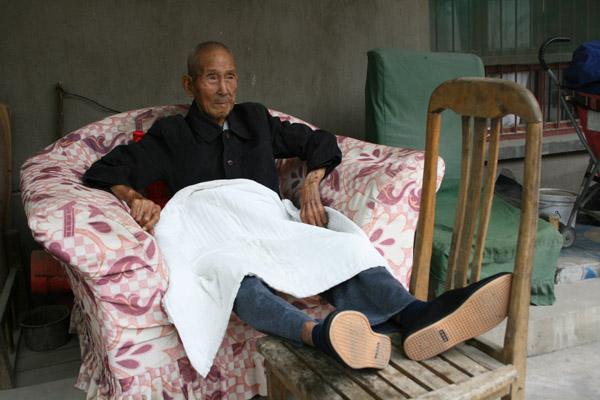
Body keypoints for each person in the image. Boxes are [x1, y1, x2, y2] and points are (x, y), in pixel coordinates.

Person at [83, 41, 512, 371]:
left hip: (265, 217)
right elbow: (105, 169)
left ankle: (418, 314)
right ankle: (322, 337)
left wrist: (312, 178)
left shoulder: (255, 119)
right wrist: (132, 197)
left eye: (230, 77)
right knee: (235, 276)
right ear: (189, 84)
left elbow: (319, 141)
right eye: (212, 78)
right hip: (207, 227)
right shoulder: (172, 134)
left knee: (341, 245)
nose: (224, 89)